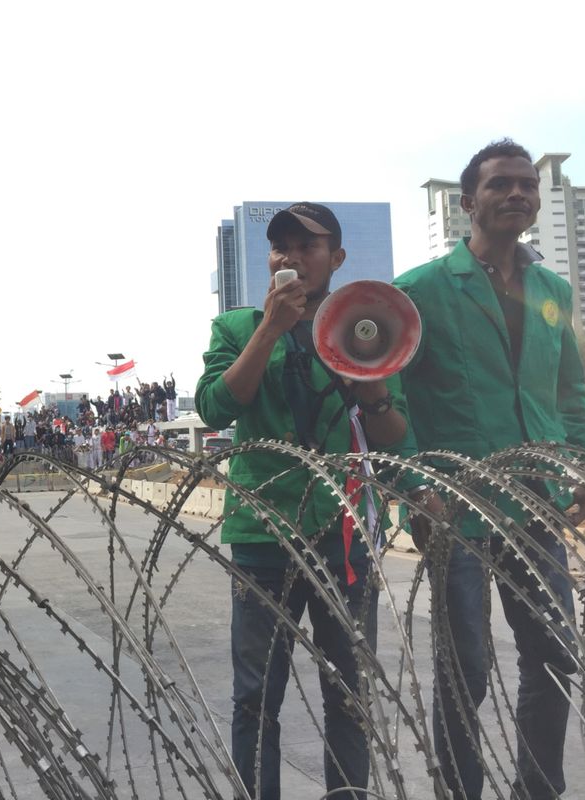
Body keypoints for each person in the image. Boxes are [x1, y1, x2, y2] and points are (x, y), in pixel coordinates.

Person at [393, 139, 585, 800]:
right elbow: (388, 403)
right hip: (456, 503)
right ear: (467, 203)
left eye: (526, 185)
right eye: (501, 185)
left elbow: (570, 395)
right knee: (468, 671)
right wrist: (413, 493)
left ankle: (537, 790)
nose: (518, 194)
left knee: (554, 657)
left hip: (536, 502)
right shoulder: (419, 291)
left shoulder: (552, 291)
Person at [195, 202, 415, 800]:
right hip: (263, 533)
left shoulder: (359, 326)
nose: (288, 257)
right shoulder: (237, 327)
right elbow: (216, 406)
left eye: (306, 246)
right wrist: (268, 328)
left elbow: (393, 432)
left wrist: (371, 389)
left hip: (339, 531)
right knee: (256, 692)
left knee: (349, 690)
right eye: (279, 247)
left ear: (336, 259)